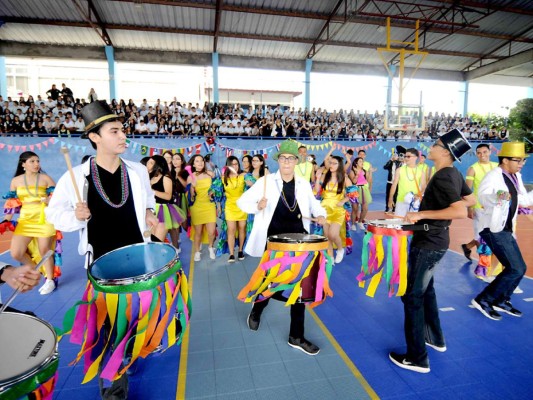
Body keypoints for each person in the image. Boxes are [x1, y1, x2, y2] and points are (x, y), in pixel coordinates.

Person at [45, 100, 158, 399]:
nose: (123, 136)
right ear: (95, 137)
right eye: (115, 131)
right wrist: (75, 216)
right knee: (108, 324)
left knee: (136, 315)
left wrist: (148, 212)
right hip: (101, 264)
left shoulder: (137, 171)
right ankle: (115, 385)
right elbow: (53, 214)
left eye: (123, 130)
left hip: (137, 257)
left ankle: (130, 353)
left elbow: (148, 199)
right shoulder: (75, 177)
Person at [389, 129, 475, 374]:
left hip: (428, 243)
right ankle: (435, 338)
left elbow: (460, 211)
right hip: (437, 240)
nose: (432, 146)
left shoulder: (444, 176)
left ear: (446, 152)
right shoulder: (452, 173)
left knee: (413, 298)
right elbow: (470, 200)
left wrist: (422, 213)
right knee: (427, 292)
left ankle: (417, 358)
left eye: (436, 144)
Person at [237, 140, 327, 356]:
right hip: (274, 243)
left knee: (302, 287)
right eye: (283, 158)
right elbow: (242, 202)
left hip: (300, 243)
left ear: (297, 161)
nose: (287, 161)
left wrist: (321, 214)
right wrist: (256, 206)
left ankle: (296, 336)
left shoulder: (304, 183)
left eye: (291, 158)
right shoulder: (266, 182)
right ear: (279, 161)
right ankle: (257, 308)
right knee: (270, 281)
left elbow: (315, 204)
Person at [471, 142, 533, 321]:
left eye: (523, 160)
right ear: (505, 160)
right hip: (493, 228)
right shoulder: (493, 176)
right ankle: (484, 299)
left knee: (518, 268)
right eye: (518, 160)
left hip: (506, 228)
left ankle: (501, 299)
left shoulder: (515, 176)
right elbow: (483, 196)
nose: (522, 163)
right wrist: (498, 196)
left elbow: (523, 201)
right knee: (515, 268)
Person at [2, 151, 57, 295]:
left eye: (38, 161)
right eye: (32, 161)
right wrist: (6, 220)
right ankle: (36, 270)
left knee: (44, 250)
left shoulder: (45, 178)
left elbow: (57, 197)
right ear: (23, 164)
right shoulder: (16, 181)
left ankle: (50, 280)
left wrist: (49, 200)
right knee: (16, 253)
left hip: (44, 219)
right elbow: (12, 203)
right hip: (25, 221)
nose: (36, 164)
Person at [461, 144, 498, 263]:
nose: (482, 155)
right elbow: (467, 190)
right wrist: (469, 207)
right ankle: (483, 264)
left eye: (485, 152)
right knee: (479, 234)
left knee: (491, 234)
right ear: (476, 154)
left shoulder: (497, 167)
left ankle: (467, 247)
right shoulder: (473, 168)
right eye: (479, 153)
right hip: (479, 207)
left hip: (495, 207)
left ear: (489, 152)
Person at [315, 155, 353, 263]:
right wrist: (317, 179)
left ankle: (340, 249)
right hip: (324, 209)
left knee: (333, 234)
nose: (331, 165)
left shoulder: (344, 178)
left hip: (337, 210)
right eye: (330, 163)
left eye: (334, 163)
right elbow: (317, 190)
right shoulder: (325, 176)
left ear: (339, 165)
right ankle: (330, 256)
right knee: (326, 235)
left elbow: (353, 193)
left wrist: (343, 201)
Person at [147, 155, 185, 243]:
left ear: (158, 165)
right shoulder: (149, 177)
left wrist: (152, 191)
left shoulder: (166, 178)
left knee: (158, 241)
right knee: (150, 240)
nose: (148, 164)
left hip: (162, 210)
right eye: (148, 162)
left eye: (151, 163)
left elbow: (168, 196)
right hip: (151, 210)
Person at [187, 154, 217, 262]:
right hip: (197, 207)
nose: (200, 163)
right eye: (197, 161)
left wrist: (213, 192)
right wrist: (192, 188)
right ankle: (197, 252)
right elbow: (190, 198)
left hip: (209, 206)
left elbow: (217, 188)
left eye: (201, 161)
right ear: (193, 164)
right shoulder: (191, 177)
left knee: (211, 231)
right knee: (198, 232)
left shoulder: (210, 174)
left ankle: (210, 247)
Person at [218, 156, 247, 262]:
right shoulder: (222, 178)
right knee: (231, 230)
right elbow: (217, 193)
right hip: (230, 206)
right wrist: (218, 206)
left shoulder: (243, 176)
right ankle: (231, 253)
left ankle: (240, 250)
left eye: (236, 164)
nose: (234, 166)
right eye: (232, 164)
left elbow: (252, 186)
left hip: (242, 205)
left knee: (242, 228)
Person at [388, 148, 427, 217]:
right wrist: (390, 199)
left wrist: (418, 195)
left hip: (414, 202)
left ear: (416, 157)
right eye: (405, 156)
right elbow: (394, 185)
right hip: (401, 201)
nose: (406, 158)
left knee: (411, 225)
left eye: (408, 156)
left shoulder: (421, 172)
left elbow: (424, 186)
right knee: (398, 224)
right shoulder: (399, 170)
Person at [348, 157, 372, 229]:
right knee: (355, 208)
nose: (362, 162)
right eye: (360, 161)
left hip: (364, 190)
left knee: (365, 208)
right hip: (355, 189)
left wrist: (370, 172)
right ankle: (353, 224)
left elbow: (368, 180)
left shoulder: (365, 171)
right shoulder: (352, 171)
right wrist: (357, 174)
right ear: (356, 163)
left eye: (362, 161)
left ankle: (360, 221)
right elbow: (354, 181)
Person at [383, 146, 404, 213]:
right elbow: (385, 167)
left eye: (401, 155)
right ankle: (387, 208)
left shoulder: (403, 164)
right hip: (390, 182)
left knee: (396, 196)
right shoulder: (392, 162)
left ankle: (395, 208)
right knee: (388, 195)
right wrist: (391, 160)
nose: (399, 156)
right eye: (398, 154)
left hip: (398, 183)